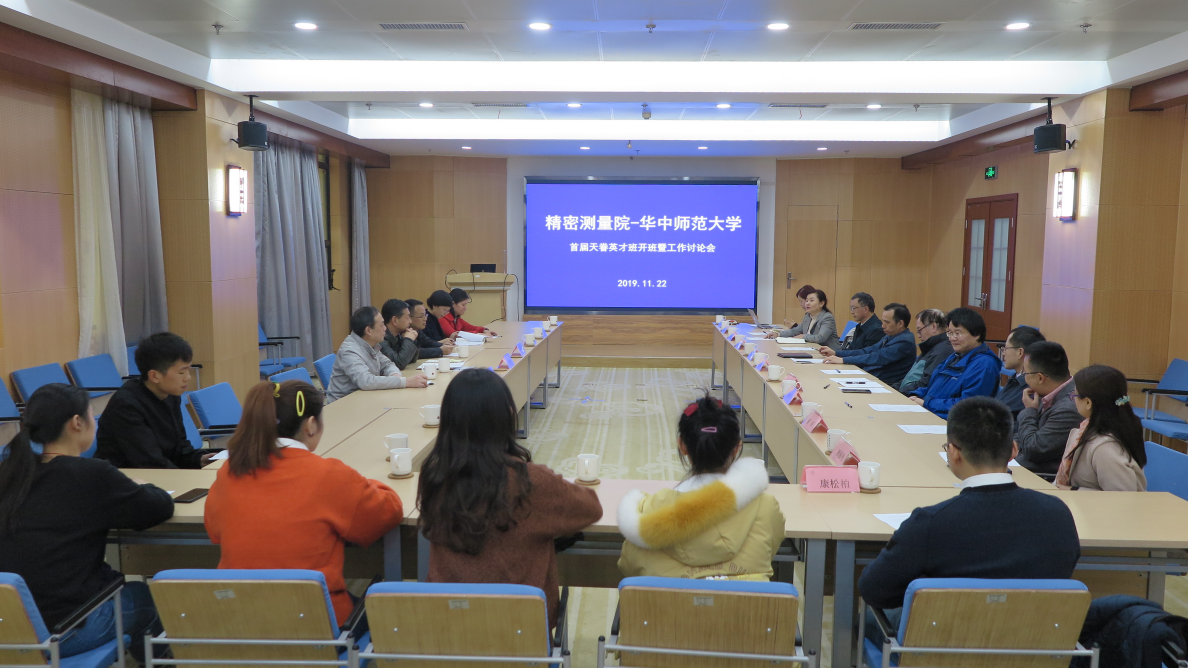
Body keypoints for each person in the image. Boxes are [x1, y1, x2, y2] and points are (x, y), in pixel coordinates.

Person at [858, 396, 1080, 640]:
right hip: (1033, 643)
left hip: (943, 644)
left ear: (953, 453)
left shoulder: (930, 522)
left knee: (865, 619)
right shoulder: (1058, 514)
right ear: (1013, 451)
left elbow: (874, 590)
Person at [205, 380, 404, 626]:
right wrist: (365, 483)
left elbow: (214, 531)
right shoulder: (328, 475)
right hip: (316, 623)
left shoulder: (229, 472)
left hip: (241, 621)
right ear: (310, 425)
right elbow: (387, 512)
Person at [0, 384, 173, 663]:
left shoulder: (9, 474)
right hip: (64, 632)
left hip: (9, 628)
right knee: (144, 598)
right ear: (77, 423)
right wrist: (141, 486)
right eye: (93, 415)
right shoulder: (92, 474)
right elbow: (159, 507)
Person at [418, 369, 602, 629]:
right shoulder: (531, 481)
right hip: (523, 629)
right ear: (507, 416)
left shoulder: (434, 478)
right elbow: (591, 508)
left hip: (451, 629)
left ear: (447, 420)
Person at [617, 395, 784, 580]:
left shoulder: (646, 515)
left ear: (682, 445)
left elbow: (629, 568)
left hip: (671, 600)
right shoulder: (765, 508)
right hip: (748, 600)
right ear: (736, 448)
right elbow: (769, 551)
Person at [96, 331, 215, 469]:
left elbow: (180, 448)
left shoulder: (170, 394)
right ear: (154, 376)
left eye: (188, 370)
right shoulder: (126, 405)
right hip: (127, 477)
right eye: (181, 372)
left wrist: (199, 460)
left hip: (159, 472)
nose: (188, 377)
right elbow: (150, 462)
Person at [1056, 365, 1148, 491]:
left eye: (1074, 395)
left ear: (1088, 402)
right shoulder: (1089, 427)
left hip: (1086, 503)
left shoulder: (1106, 447)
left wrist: (1074, 491)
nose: (1073, 398)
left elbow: (1122, 497)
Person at [909, 308, 1001, 419]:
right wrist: (915, 395)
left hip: (955, 423)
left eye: (958, 333)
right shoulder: (955, 356)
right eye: (950, 333)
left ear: (976, 334)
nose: (952, 338)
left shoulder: (985, 365)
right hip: (931, 413)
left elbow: (969, 406)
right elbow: (932, 386)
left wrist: (927, 403)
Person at [1013, 341, 1088, 476]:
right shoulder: (1048, 392)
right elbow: (1024, 434)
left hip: (1041, 476)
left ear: (1040, 378)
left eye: (1026, 373)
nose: (1025, 379)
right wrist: (1013, 445)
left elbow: (1034, 450)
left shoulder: (1069, 408)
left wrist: (1030, 411)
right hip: (1024, 466)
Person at [326, 306, 429, 403]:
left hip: (365, 399)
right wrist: (405, 382)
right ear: (368, 330)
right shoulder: (349, 351)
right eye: (382, 325)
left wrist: (395, 376)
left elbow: (388, 364)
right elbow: (366, 381)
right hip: (344, 405)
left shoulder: (370, 344)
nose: (385, 329)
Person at [819, 303, 917, 387]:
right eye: (883, 321)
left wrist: (843, 360)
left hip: (885, 384)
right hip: (873, 378)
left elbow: (876, 357)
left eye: (887, 322)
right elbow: (868, 350)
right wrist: (837, 353)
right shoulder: (891, 335)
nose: (882, 326)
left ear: (900, 323)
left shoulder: (905, 342)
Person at [898, 309, 952, 395]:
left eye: (919, 330)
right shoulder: (931, 346)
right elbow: (910, 378)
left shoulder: (942, 351)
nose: (918, 336)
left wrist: (898, 392)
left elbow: (925, 383)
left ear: (934, 326)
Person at [995, 326, 1045, 417]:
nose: (1003, 353)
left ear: (1020, 352)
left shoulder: (1030, 390)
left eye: (1006, 348)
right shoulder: (1016, 377)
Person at [766, 289, 840, 350]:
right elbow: (796, 331)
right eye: (807, 301)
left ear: (821, 303)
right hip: (811, 348)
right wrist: (778, 334)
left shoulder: (827, 318)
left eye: (811, 301)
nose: (807, 303)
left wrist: (803, 336)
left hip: (829, 353)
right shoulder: (808, 316)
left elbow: (820, 338)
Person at [379, 298, 420, 370]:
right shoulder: (381, 339)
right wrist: (408, 340)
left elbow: (412, 359)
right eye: (407, 318)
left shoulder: (398, 336)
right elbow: (398, 364)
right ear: (395, 320)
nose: (410, 321)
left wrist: (412, 340)